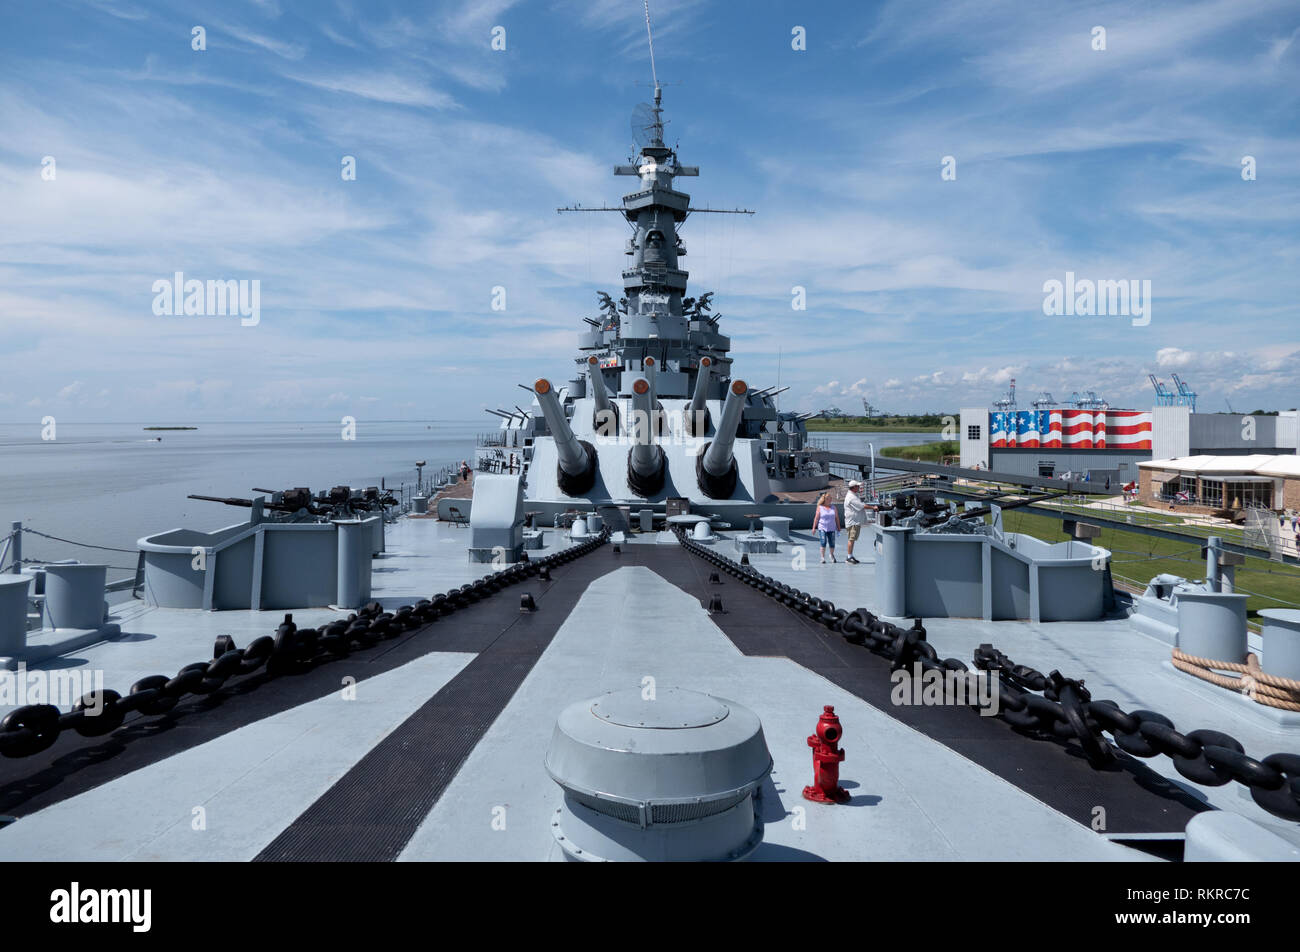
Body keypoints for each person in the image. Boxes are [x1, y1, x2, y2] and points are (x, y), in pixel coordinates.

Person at [843, 480, 866, 564]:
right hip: (852, 522)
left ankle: (851, 556)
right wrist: (873, 507)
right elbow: (861, 506)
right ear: (854, 487)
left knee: (852, 539)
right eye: (858, 486)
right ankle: (849, 557)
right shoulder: (851, 497)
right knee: (851, 539)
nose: (859, 487)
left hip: (854, 521)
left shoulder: (853, 495)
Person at [813, 492, 840, 564]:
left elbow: (836, 518)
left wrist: (838, 527)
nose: (830, 500)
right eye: (828, 498)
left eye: (831, 498)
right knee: (823, 542)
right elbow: (816, 518)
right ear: (825, 499)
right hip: (822, 527)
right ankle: (822, 557)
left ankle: (831, 555)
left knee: (832, 543)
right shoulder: (820, 507)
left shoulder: (833, 507)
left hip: (831, 528)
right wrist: (813, 528)